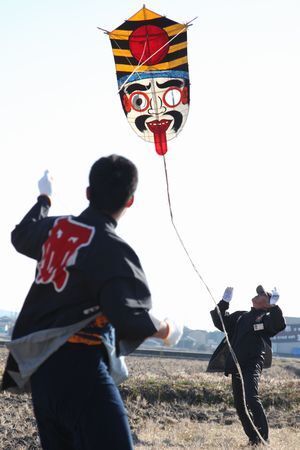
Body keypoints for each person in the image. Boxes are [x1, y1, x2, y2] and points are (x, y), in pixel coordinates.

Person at [2, 155, 182, 450]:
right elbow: (129, 315)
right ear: (131, 201)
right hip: (81, 369)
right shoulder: (111, 249)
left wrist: (44, 197)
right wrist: (167, 330)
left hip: (42, 375)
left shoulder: (55, 230)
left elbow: (21, 235)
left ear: (88, 192)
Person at [207, 285, 286, 446]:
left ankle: (263, 438)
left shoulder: (265, 318)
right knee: (240, 405)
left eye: (262, 295)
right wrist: (224, 302)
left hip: (252, 364)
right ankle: (254, 439)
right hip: (237, 365)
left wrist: (275, 307)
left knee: (251, 398)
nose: (257, 296)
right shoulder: (240, 316)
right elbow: (220, 322)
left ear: (267, 303)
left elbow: (278, 325)